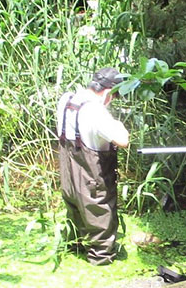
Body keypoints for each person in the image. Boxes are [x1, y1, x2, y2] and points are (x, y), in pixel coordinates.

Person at [55, 67, 130, 265]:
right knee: (98, 208)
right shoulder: (96, 110)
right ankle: (101, 257)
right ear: (107, 92)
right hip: (91, 171)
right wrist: (120, 125)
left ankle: (76, 246)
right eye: (113, 96)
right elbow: (123, 140)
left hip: (68, 167)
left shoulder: (67, 99)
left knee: (75, 205)